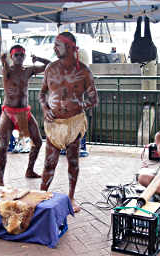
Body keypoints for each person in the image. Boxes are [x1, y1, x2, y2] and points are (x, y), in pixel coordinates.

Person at [39, 32, 98, 213]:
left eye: (58, 45)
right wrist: (45, 109)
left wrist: (80, 105)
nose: (54, 48)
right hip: (54, 124)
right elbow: (42, 95)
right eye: (54, 45)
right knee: (49, 163)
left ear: (71, 47)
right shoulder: (50, 68)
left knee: (73, 162)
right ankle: (42, 196)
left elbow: (93, 98)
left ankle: (71, 197)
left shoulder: (83, 71)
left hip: (74, 123)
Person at [0, 45, 50, 186]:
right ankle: (0, 179)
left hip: (24, 112)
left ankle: (29, 170)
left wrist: (38, 58)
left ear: (24, 56)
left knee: (38, 142)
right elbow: (5, 69)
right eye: (16, 55)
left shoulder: (28, 70)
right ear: (12, 57)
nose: (19, 57)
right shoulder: (7, 70)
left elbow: (49, 65)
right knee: (3, 146)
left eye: (21, 55)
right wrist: (4, 61)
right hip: (9, 112)